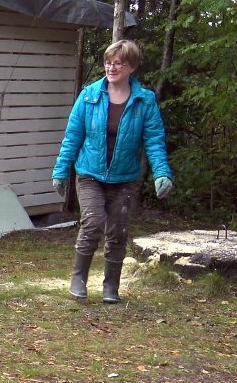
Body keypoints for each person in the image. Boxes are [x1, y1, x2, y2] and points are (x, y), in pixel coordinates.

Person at [52, 39, 174, 303]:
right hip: (89, 174)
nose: (111, 67)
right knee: (93, 222)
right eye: (108, 62)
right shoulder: (89, 96)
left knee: (117, 230)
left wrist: (162, 173)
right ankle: (79, 278)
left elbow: (154, 141)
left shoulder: (145, 101)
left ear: (131, 66)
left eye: (118, 63)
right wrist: (61, 170)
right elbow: (73, 136)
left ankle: (110, 287)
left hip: (124, 178)